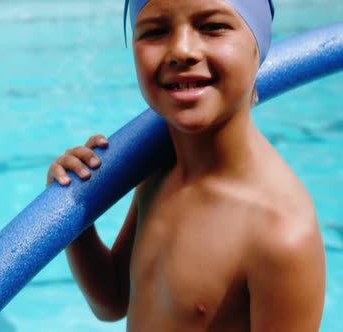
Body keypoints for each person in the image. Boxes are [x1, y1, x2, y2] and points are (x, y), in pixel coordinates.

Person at [45, 0, 326, 330]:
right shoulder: (157, 172)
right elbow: (114, 301)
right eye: (156, 31)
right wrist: (73, 217)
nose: (182, 50)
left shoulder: (280, 234)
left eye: (212, 27)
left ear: (258, 47)